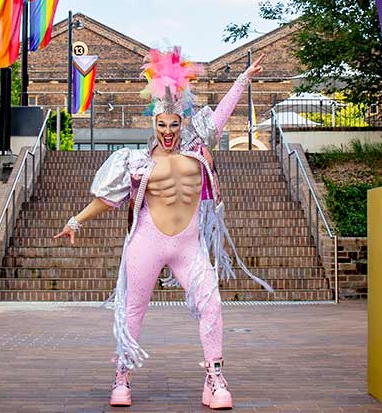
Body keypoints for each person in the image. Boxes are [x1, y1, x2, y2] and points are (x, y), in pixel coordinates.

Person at [54, 47, 268, 409]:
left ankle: (214, 378)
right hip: (146, 243)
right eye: (161, 124)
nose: (168, 131)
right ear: (152, 124)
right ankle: (121, 377)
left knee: (211, 304)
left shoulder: (198, 149)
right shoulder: (135, 161)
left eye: (173, 123)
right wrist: (75, 220)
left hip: (188, 246)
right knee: (132, 309)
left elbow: (221, 114)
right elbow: (108, 199)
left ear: (182, 122)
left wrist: (243, 80)